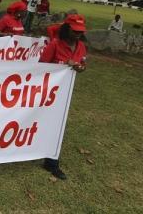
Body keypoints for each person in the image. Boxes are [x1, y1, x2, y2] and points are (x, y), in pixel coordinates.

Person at [39, 14, 88, 180]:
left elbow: (83, 64)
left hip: (64, 95)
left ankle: (51, 163)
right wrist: (63, 64)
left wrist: (80, 68)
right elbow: (40, 68)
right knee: (42, 123)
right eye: (75, 31)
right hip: (48, 93)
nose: (78, 34)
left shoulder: (81, 47)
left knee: (58, 126)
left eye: (80, 31)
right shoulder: (54, 45)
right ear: (67, 29)